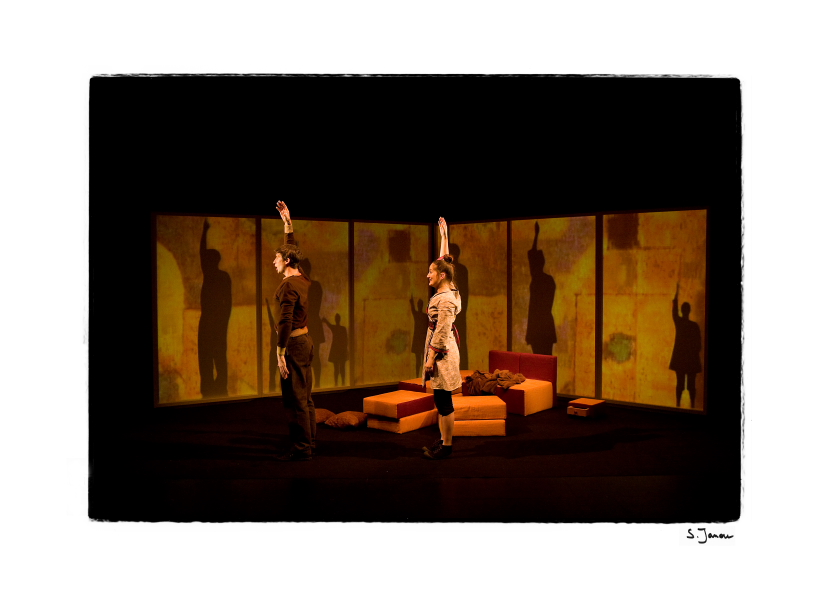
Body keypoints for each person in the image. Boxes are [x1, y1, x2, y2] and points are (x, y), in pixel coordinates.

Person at [273, 200, 316, 461]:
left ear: (287, 261)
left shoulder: (289, 285)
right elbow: (293, 251)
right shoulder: (302, 278)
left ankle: (302, 448)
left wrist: (280, 353)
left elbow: (285, 321)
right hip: (305, 342)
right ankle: (309, 443)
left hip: (295, 346)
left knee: (295, 399)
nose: (274, 262)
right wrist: (288, 225)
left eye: (277, 258)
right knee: (305, 397)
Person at [421, 217, 462, 460]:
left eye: (431, 272)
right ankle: (443, 440)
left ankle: (447, 446)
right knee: (440, 398)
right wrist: (444, 238)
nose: (428, 275)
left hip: (442, 355)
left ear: (442, 275)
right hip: (442, 352)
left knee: (444, 402)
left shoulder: (446, 299)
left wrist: (430, 359)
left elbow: (442, 332)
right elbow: (444, 261)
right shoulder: (450, 288)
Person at [669, 283, 702, 408]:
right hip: (691, 359)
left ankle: (678, 404)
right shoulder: (694, 326)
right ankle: (692, 405)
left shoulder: (680, 323)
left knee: (680, 384)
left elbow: (674, 312)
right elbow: (698, 344)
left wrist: (676, 296)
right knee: (691, 385)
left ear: (683, 311)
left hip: (680, 359)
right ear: (689, 311)